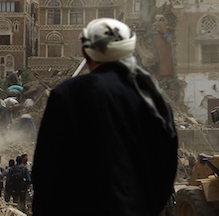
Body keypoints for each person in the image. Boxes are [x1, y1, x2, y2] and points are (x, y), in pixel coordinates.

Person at [32, 18, 178, 216]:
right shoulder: (155, 100)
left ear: (86, 52)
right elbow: (166, 170)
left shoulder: (67, 95)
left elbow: (45, 170)